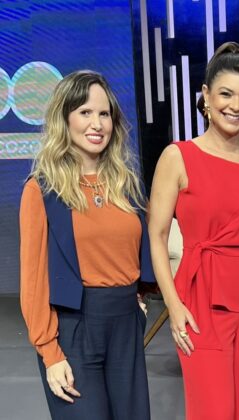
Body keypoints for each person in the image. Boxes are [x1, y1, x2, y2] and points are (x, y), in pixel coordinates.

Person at [148, 42, 239, 419]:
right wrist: (173, 306)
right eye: (226, 94)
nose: (235, 105)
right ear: (206, 97)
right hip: (199, 302)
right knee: (211, 409)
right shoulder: (178, 157)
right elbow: (157, 236)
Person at [20, 70, 155, 419]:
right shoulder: (42, 190)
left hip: (125, 326)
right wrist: (49, 352)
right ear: (65, 119)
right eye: (85, 112)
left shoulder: (126, 185)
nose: (97, 124)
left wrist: (139, 300)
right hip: (74, 329)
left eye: (104, 113)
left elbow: (141, 250)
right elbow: (34, 281)